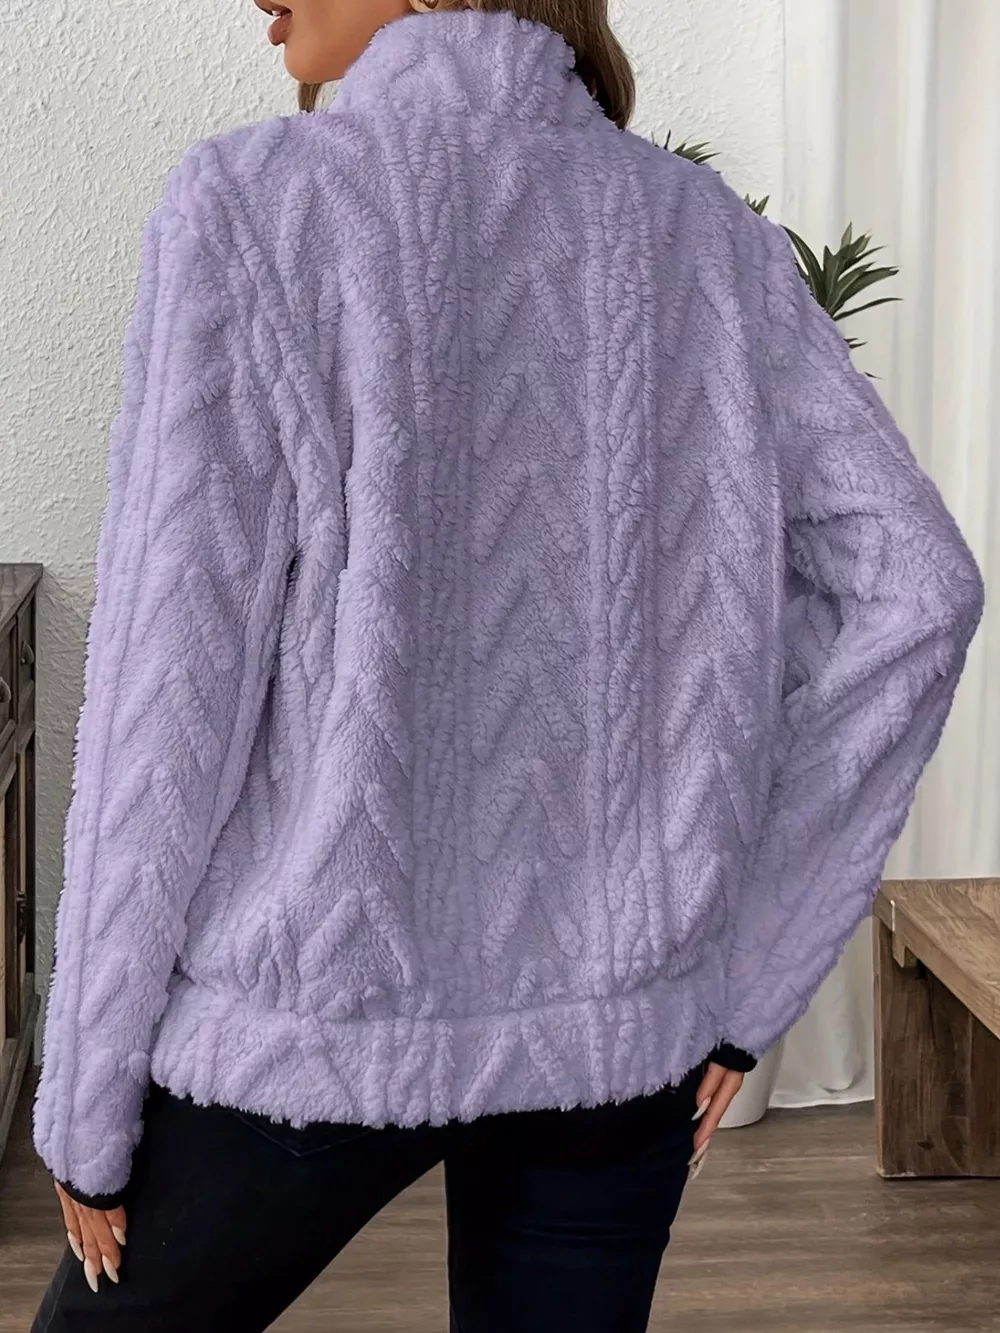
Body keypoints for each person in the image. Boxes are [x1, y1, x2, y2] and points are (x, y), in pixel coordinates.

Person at [31, 1, 984, 1329]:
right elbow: (917, 588)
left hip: (316, 1008)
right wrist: (748, 969)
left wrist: (86, 1096)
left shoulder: (257, 204)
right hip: (619, 1039)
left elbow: (170, 687)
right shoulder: (703, 233)